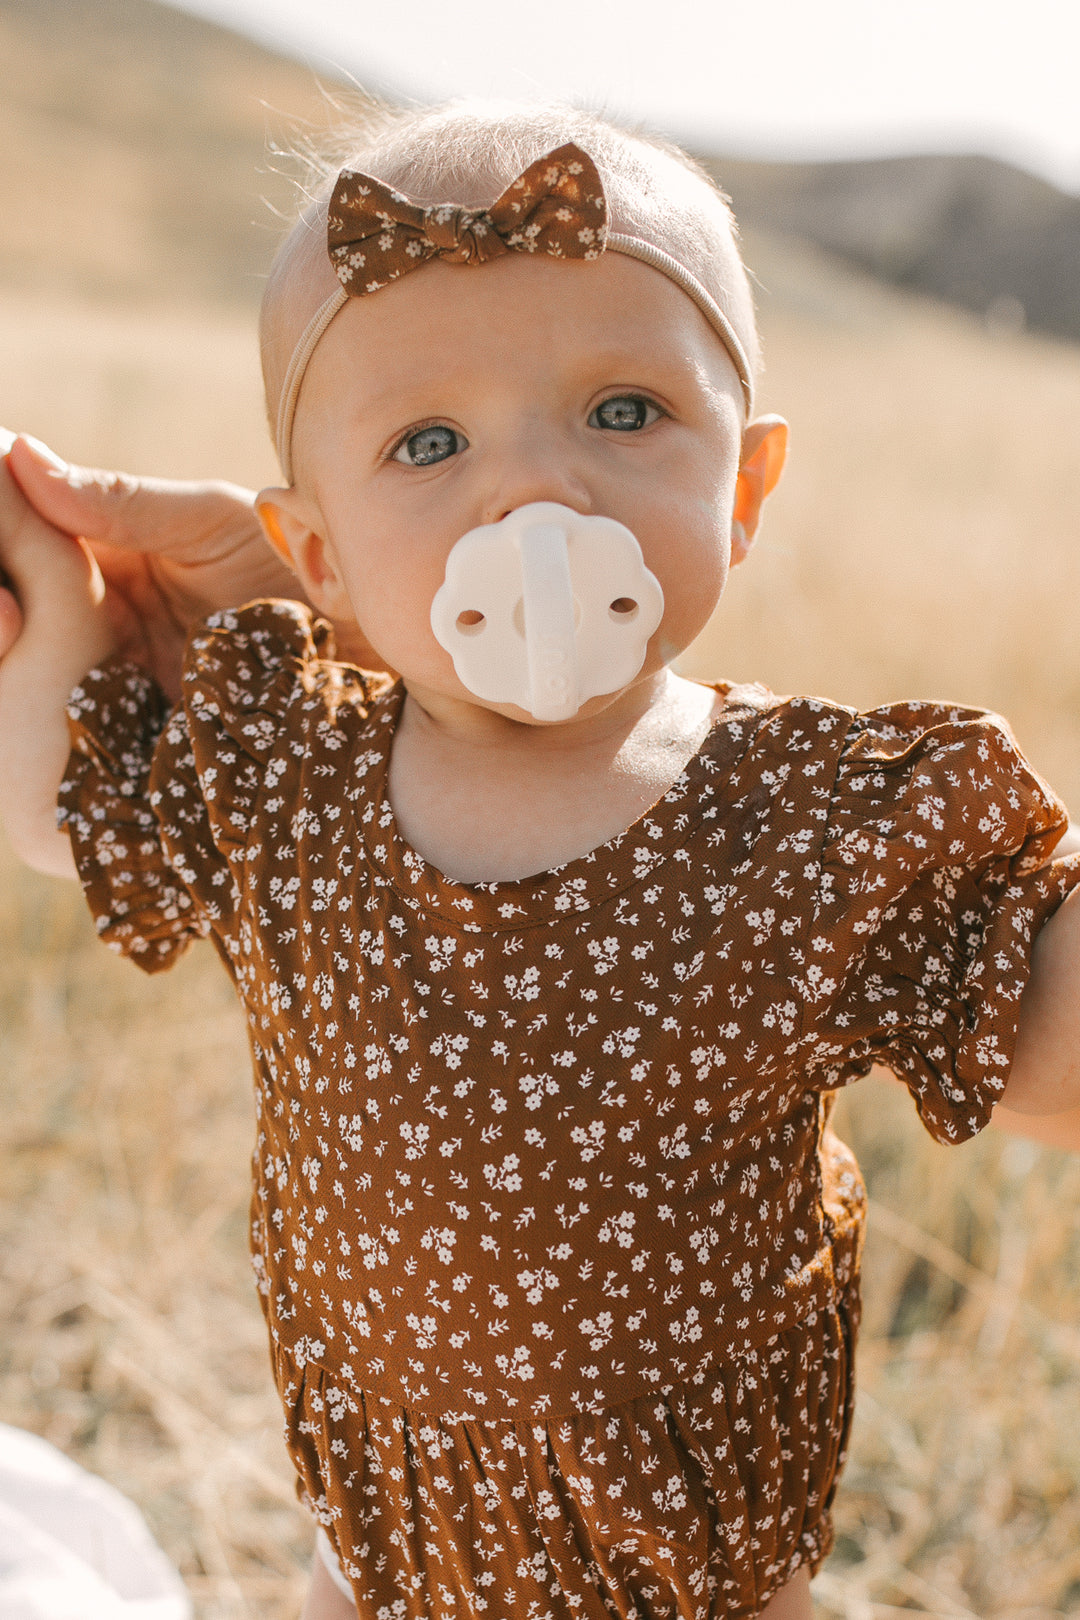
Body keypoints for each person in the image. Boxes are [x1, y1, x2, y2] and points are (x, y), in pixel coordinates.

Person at [1, 101, 1079, 1620]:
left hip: (692, 1570)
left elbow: (1051, 1049)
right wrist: (51, 588)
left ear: (747, 488)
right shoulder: (287, 766)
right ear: (318, 557)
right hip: (378, 1541)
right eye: (427, 444)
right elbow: (63, 810)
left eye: (623, 412)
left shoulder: (811, 817)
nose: (534, 491)